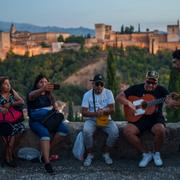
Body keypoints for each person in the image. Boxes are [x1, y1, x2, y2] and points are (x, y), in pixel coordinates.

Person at [116, 71, 169, 168]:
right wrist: (128, 103)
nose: (151, 85)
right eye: (149, 82)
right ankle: (146, 153)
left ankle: (156, 153)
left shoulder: (161, 90)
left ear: (157, 83)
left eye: (154, 83)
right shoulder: (136, 88)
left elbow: (170, 101)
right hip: (138, 119)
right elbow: (119, 97)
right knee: (127, 131)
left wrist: (172, 102)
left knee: (161, 129)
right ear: (145, 80)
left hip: (155, 119)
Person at [27, 74, 68, 174]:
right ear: (37, 84)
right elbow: (31, 96)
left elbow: (55, 108)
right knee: (45, 134)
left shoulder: (49, 95)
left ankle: (44, 154)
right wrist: (43, 89)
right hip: (36, 122)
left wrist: (56, 108)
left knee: (64, 130)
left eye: (46, 82)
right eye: (41, 82)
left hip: (48, 120)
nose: (44, 84)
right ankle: (47, 163)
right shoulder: (33, 94)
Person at [81, 74, 119, 167]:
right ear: (93, 84)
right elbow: (84, 112)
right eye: (97, 84)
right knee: (86, 131)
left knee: (115, 132)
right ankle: (90, 154)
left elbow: (113, 110)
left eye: (101, 84)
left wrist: (104, 111)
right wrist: (95, 114)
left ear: (104, 85)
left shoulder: (108, 93)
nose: (99, 86)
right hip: (92, 119)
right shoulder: (87, 95)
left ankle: (106, 153)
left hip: (106, 119)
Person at [0, 76, 25, 167]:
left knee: (20, 127)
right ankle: (9, 155)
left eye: (9, 83)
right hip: (2, 120)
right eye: (5, 84)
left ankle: (8, 151)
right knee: (8, 130)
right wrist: (1, 108)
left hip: (12, 119)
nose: (8, 85)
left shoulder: (11, 92)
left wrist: (10, 103)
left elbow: (21, 101)